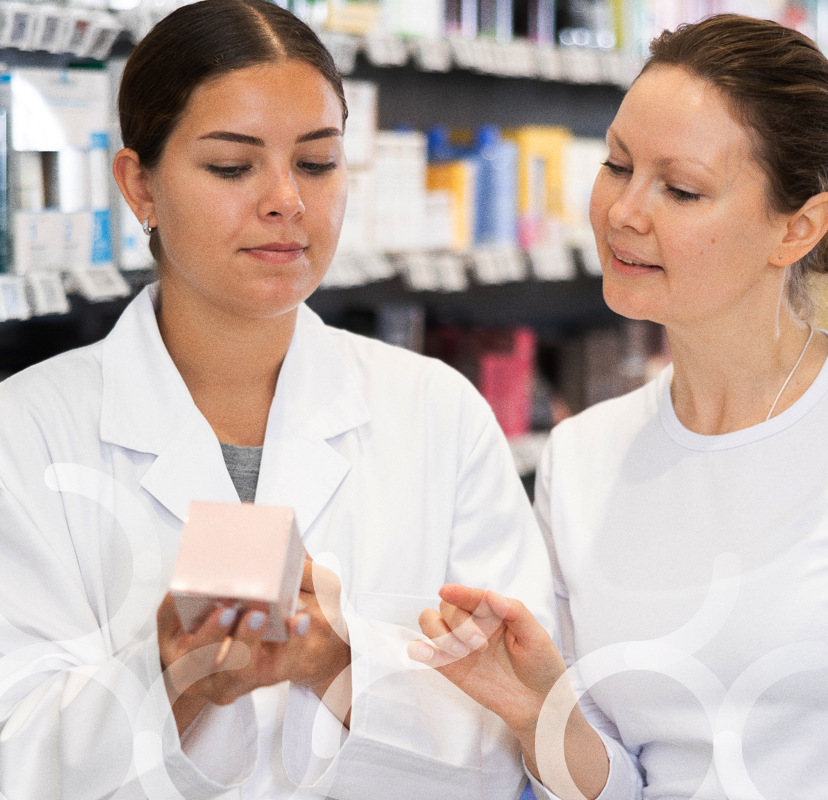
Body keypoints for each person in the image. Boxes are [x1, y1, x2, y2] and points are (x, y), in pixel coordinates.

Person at [410, 14, 828, 800]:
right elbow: (624, 782)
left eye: (681, 188)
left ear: (798, 227)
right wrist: (536, 714)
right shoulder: (584, 455)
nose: (625, 211)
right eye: (617, 164)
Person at [0, 1, 554, 797]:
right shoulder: (24, 432)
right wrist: (166, 680)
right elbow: (14, 752)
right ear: (138, 185)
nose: (286, 200)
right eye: (233, 166)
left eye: (318, 164)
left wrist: (343, 660)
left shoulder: (437, 412)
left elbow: (516, 735)